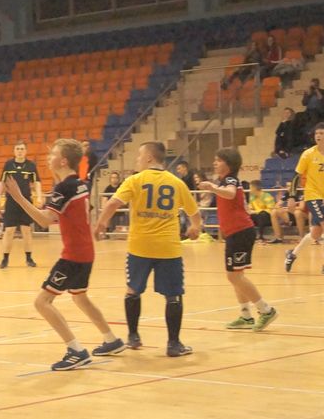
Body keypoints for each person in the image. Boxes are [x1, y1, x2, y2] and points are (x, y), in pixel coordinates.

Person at [4, 139, 125, 370]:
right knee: (80, 297)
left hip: (73, 256)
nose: (48, 158)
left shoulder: (64, 188)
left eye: (53, 155)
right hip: (86, 251)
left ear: (63, 161)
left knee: (42, 302)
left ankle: (76, 350)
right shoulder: (79, 184)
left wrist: (19, 198)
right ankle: (111, 340)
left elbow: (45, 220)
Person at [94, 142, 202, 357]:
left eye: (139, 156)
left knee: (132, 290)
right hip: (168, 247)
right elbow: (194, 212)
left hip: (139, 247)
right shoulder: (176, 182)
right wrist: (195, 227)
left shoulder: (135, 180)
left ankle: (133, 336)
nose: (137, 160)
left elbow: (112, 204)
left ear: (150, 158)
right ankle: (174, 344)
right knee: (173, 295)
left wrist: (101, 224)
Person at [197, 151, 278, 331]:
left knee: (234, 276)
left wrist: (212, 187)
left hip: (240, 232)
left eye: (219, 160)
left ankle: (266, 310)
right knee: (235, 275)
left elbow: (230, 194)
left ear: (229, 164)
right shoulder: (224, 181)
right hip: (234, 233)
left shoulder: (231, 180)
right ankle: (246, 316)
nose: (215, 163)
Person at [285, 123, 324, 273]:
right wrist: (292, 196)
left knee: (315, 233)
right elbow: (296, 176)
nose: (318, 136)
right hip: (313, 195)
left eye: (321, 133)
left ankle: (292, 254)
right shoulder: (308, 154)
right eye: (316, 133)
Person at [0, 141, 40, 268]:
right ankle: (5, 259)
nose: (20, 151)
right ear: (14, 151)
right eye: (17, 149)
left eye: (22, 149)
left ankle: (29, 258)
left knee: (26, 230)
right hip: (11, 202)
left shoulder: (31, 166)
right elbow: (2, 182)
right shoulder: (8, 165)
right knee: (9, 231)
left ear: (26, 151)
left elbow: (37, 182)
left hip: (26, 202)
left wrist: (39, 196)